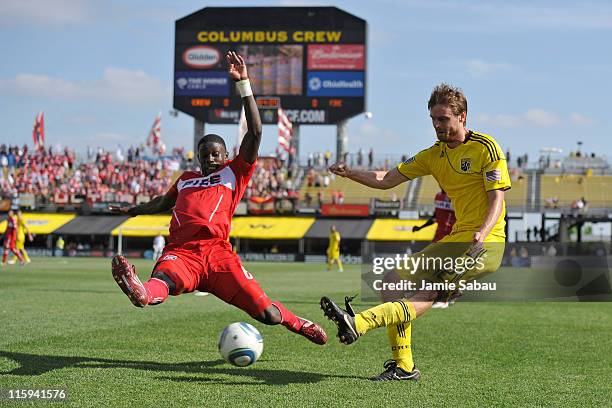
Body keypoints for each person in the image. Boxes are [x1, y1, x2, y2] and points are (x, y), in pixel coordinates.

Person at [109, 51, 327, 346]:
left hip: (219, 256)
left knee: (268, 315)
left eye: (215, 154)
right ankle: (141, 292)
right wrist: (133, 209)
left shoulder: (235, 172)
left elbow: (257, 131)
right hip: (183, 252)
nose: (210, 159)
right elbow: (162, 203)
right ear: (197, 159)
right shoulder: (186, 179)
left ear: (226, 155)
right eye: (204, 155)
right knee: (163, 280)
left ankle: (299, 323)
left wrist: (244, 84)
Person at [321, 83, 511, 381]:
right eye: (434, 119)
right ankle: (404, 365)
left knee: (431, 291)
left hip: (486, 244)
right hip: (456, 239)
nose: (438, 125)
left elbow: (496, 197)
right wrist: (351, 172)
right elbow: (386, 179)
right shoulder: (432, 155)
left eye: (444, 119)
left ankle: (359, 323)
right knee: (391, 283)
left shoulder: (486, 147)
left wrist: (482, 234)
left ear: (462, 116)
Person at [412, 189, 457, 308]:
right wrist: (421, 227)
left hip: (451, 238)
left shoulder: (456, 195)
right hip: (438, 237)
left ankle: (445, 298)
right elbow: (435, 217)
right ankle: (446, 295)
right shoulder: (438, 196)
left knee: (444, 268)